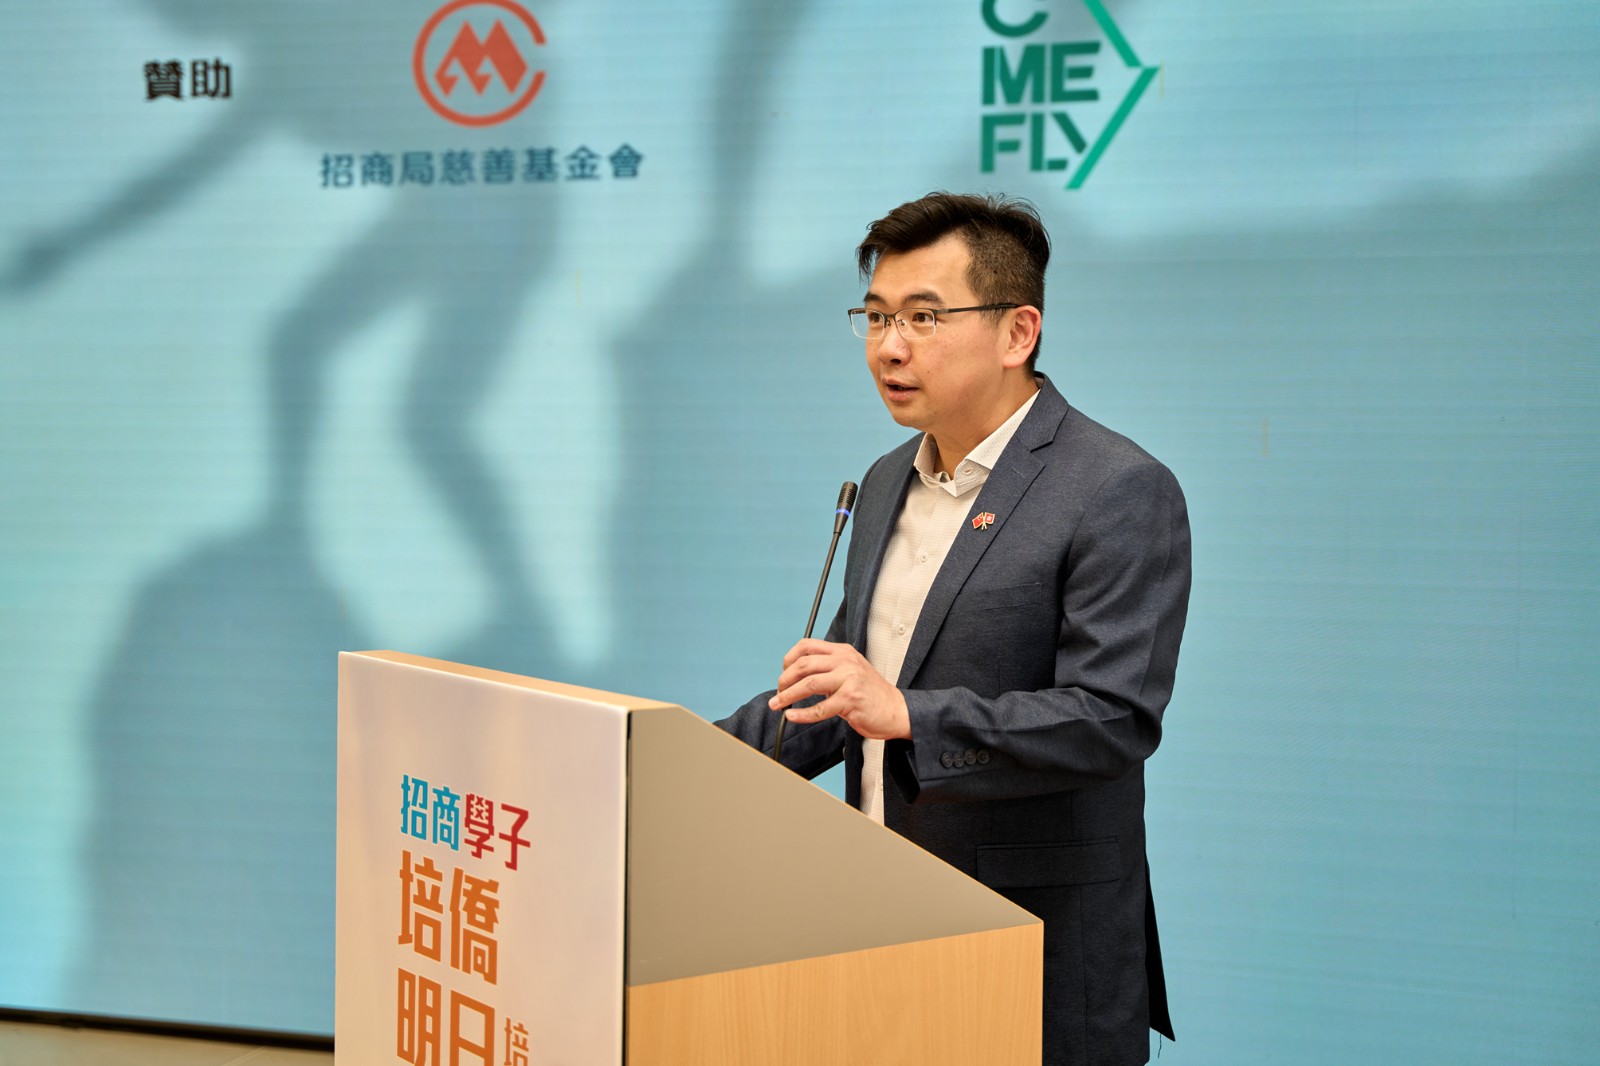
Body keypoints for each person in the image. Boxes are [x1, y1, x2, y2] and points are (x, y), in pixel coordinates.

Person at [716, 191, 1191, 1066]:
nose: (889, 347)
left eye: (924, 317)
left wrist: (910, 715)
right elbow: (842, 692)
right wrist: (673, 759)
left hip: (1032, 950)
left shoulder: (1115, 488)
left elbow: (1112, 718)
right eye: (876, 317)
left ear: (1018, 332)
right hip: (877, 929)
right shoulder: (884, 480)